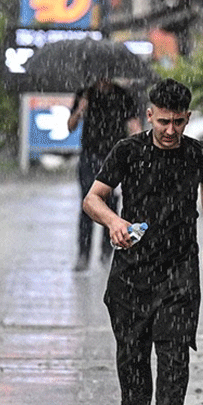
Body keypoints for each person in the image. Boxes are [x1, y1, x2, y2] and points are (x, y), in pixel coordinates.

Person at [82, 78, 203, 405]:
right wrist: (113, 222)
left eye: (178, 121)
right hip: (132, 270)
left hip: (179, 268)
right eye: (163, 121)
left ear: (188, 118)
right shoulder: (128, 151)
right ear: (149, 115)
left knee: (175, 353)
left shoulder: (199, 154)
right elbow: (93, 198)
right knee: (132, 356)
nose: (171, 130)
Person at [69, 76, 142, 272]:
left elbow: (133, 124)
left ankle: (107, 253)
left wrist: (141, 147)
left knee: (110, 207)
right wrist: (80, 109)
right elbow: (70, 126)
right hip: (89, 156)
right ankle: (83, 254)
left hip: (115, 158)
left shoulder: (123, 96)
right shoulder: (85, 93)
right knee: (88, 205)